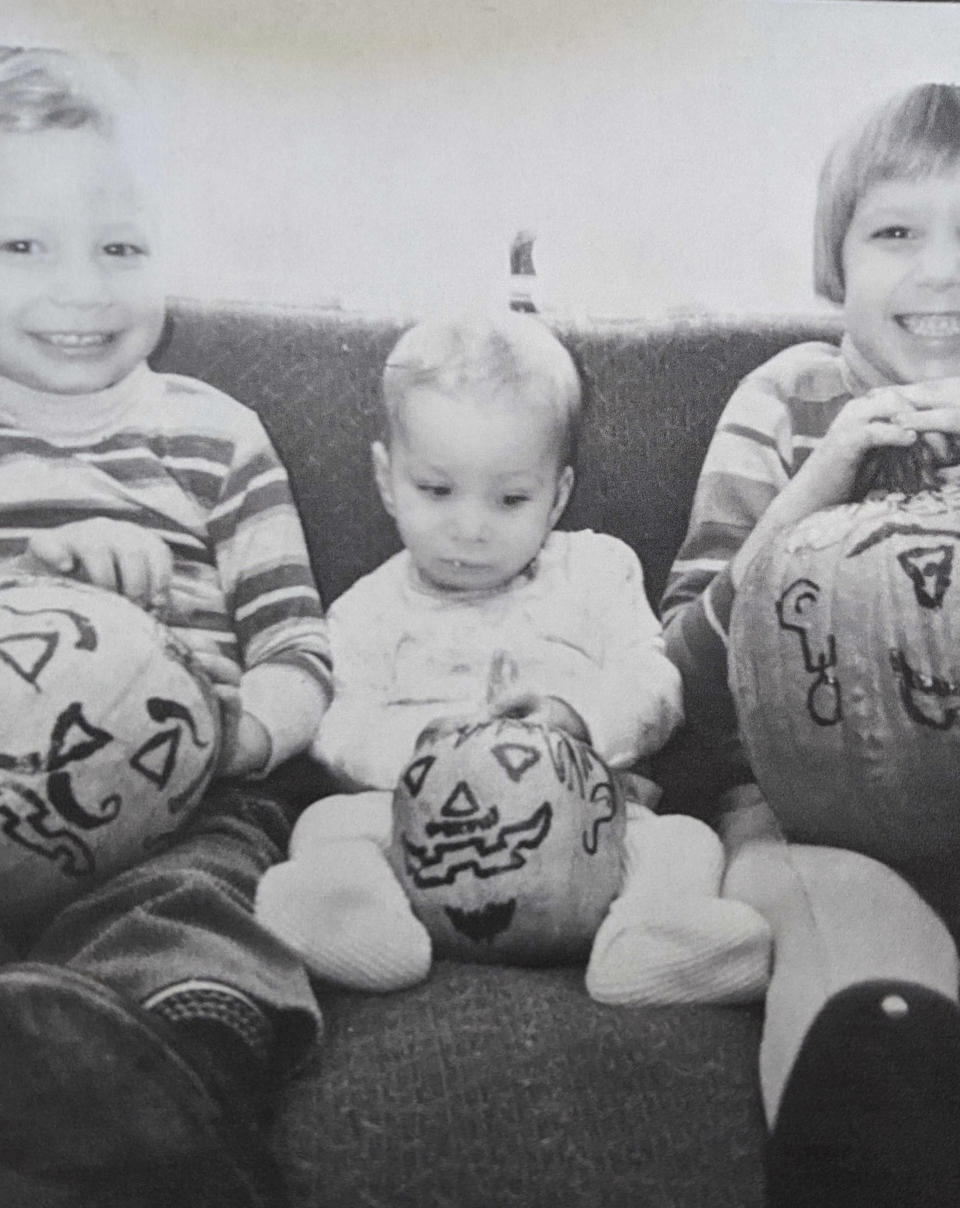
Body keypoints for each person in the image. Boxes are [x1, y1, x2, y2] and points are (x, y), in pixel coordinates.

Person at [0, 48, 331, 1208]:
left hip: (183, 800)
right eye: (23, 246)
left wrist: (230, 732)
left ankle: (167, 1051)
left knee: (184, 908)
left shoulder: (214, 432)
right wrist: (50, 611)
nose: (81, 288)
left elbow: (300, 651)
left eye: (121, 247)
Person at [255, 311, 772, 1005]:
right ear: (386, 480)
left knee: (682, 842)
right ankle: (353, 920)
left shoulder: (595, 573)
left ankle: (650, 939)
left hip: (587, 842)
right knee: (328, 826)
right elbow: (336, 725)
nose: (469, 527)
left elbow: (655, 683)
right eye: (436, 490)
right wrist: (423, 750)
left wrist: (578, 719)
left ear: (556, 495)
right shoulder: (365, 611)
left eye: (510, 499)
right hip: (421, 845)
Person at [661, 83, 960, 1206]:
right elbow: (683, 686)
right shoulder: (786, 400)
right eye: (896, 231)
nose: (941, 271)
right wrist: (815, 486)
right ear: (834, 259)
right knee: (858, 965)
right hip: (804, 812)